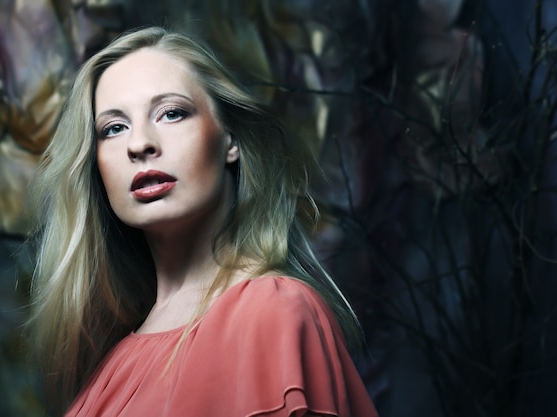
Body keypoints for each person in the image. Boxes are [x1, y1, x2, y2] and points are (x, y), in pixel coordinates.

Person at [28, 26, 379, 416]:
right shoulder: (111, 367)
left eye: (171, 113)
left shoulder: (273, 312)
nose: (139, 143)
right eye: (113, 128)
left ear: (230, 141)